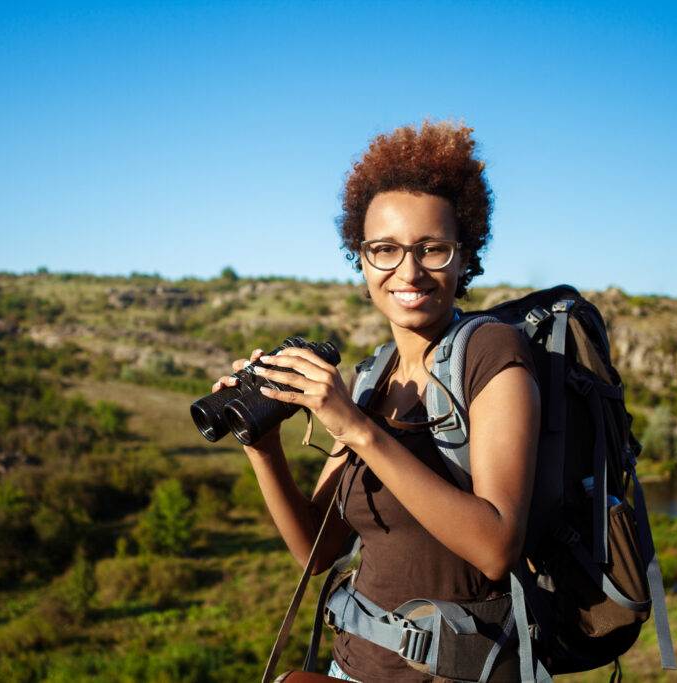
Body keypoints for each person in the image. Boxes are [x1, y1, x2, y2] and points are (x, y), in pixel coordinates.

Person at [212, 120, 541, 682]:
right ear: (360, 260)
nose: (407, 271)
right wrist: (263, 448)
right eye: (384, 250)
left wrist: (358, 429)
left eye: (432, 249)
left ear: (466, 258)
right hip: (352, 668)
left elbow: (496, 547)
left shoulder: (492, 353)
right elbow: (316, 554)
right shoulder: (370, 376)